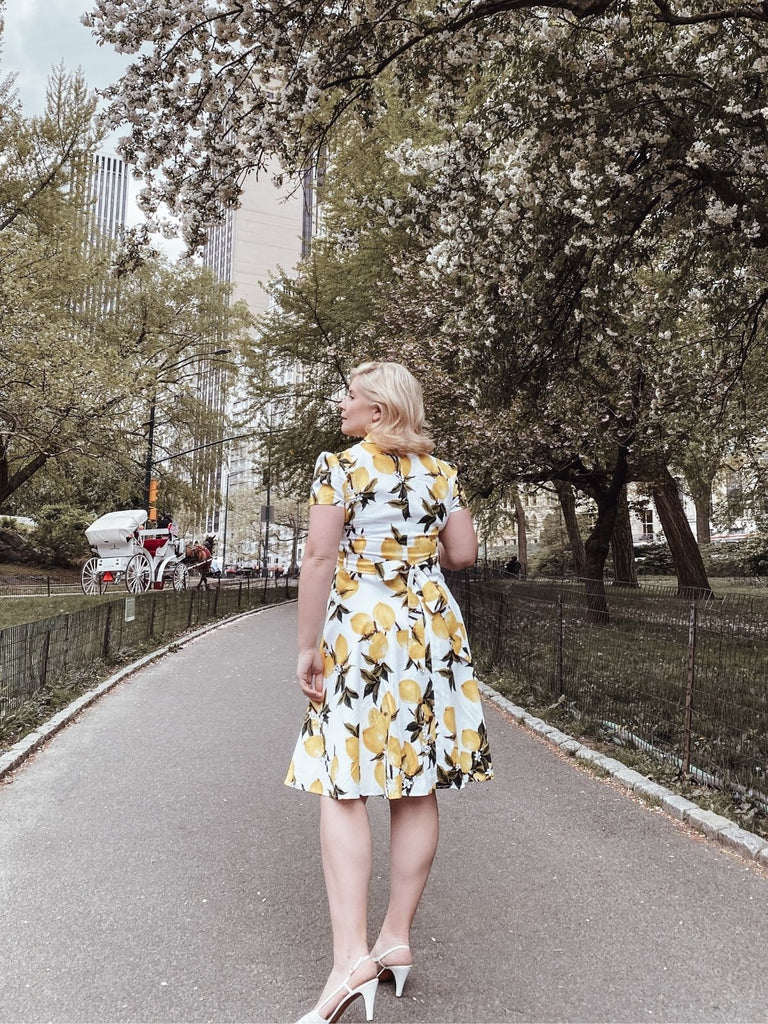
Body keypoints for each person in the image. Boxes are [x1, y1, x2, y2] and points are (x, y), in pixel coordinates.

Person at [285, 361, 494, 1024]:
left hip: (366, 634)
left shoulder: (340, 467)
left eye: (351, 395)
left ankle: (351, 958)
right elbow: (462, 553)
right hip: (430, 635)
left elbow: (319, 557)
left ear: (377, 410)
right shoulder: (442, 473)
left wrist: (307, 647)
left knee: (342, 781)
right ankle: (395, 938)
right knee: (416, 784)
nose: (341, 404)